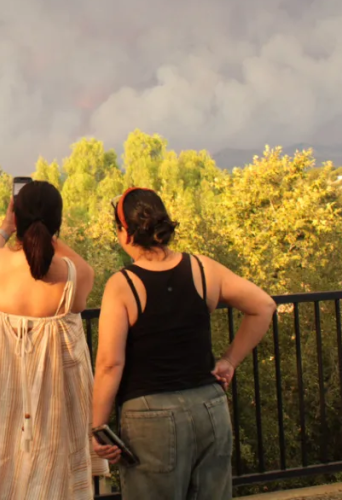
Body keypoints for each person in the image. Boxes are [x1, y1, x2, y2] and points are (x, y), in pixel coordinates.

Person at [91, 187, 276, 499]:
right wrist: (229, 361)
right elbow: (263, 306)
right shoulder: (204, 268)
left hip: (151, 419)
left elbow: (110, 364)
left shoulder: (122, 285)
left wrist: (98, 426)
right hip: (210, 407)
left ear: (125, 233)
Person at [0, 180, 108, 499]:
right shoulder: (72, 277)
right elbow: (86, 271)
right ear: (57, 222)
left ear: (16, 216)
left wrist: (5, 228)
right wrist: (51, 238)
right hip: (48, 419)